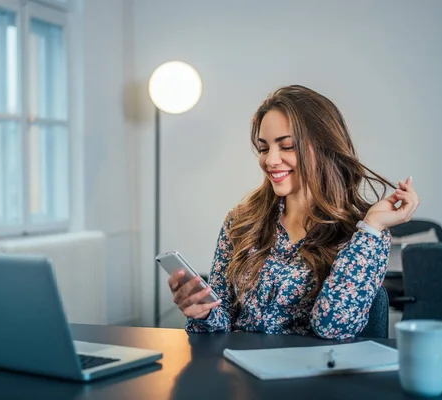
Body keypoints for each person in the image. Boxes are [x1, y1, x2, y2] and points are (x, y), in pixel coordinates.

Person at [168, 85, 419, 339]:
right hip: (240, 370)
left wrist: (372, 225)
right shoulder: (241, 222)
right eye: (264, 148)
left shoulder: (364, 236)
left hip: (313, 374)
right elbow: (221, 324)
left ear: (324, 147)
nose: (270, 160)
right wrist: (203, 312)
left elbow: (333, 326)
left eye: (286, 146)